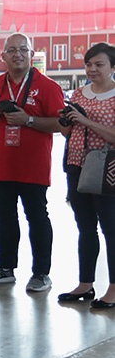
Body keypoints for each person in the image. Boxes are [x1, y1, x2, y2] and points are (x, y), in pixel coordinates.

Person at [0, 33, 65, 291]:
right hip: (0, 166)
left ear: (31, 54)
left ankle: (41, 273)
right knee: (4, 217)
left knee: (37, 217)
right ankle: (5, 268)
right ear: (3, 56)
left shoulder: (47, 86)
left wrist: (29, 120)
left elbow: (61, 124)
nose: (18, 54)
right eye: (12, 50)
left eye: (23, 49)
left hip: (33, 166)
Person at [59, 43, 115, 307]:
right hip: (76, 164)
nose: (92, 69)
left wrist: (87, 121)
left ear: (112, 67)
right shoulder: (79, 93)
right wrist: (68, 120)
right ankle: (86, 282)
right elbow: (68, 133)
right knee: (85, 227)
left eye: (99, 64)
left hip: (107, 169)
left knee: (111, 229)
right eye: (89, 64)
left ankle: (113, 288)